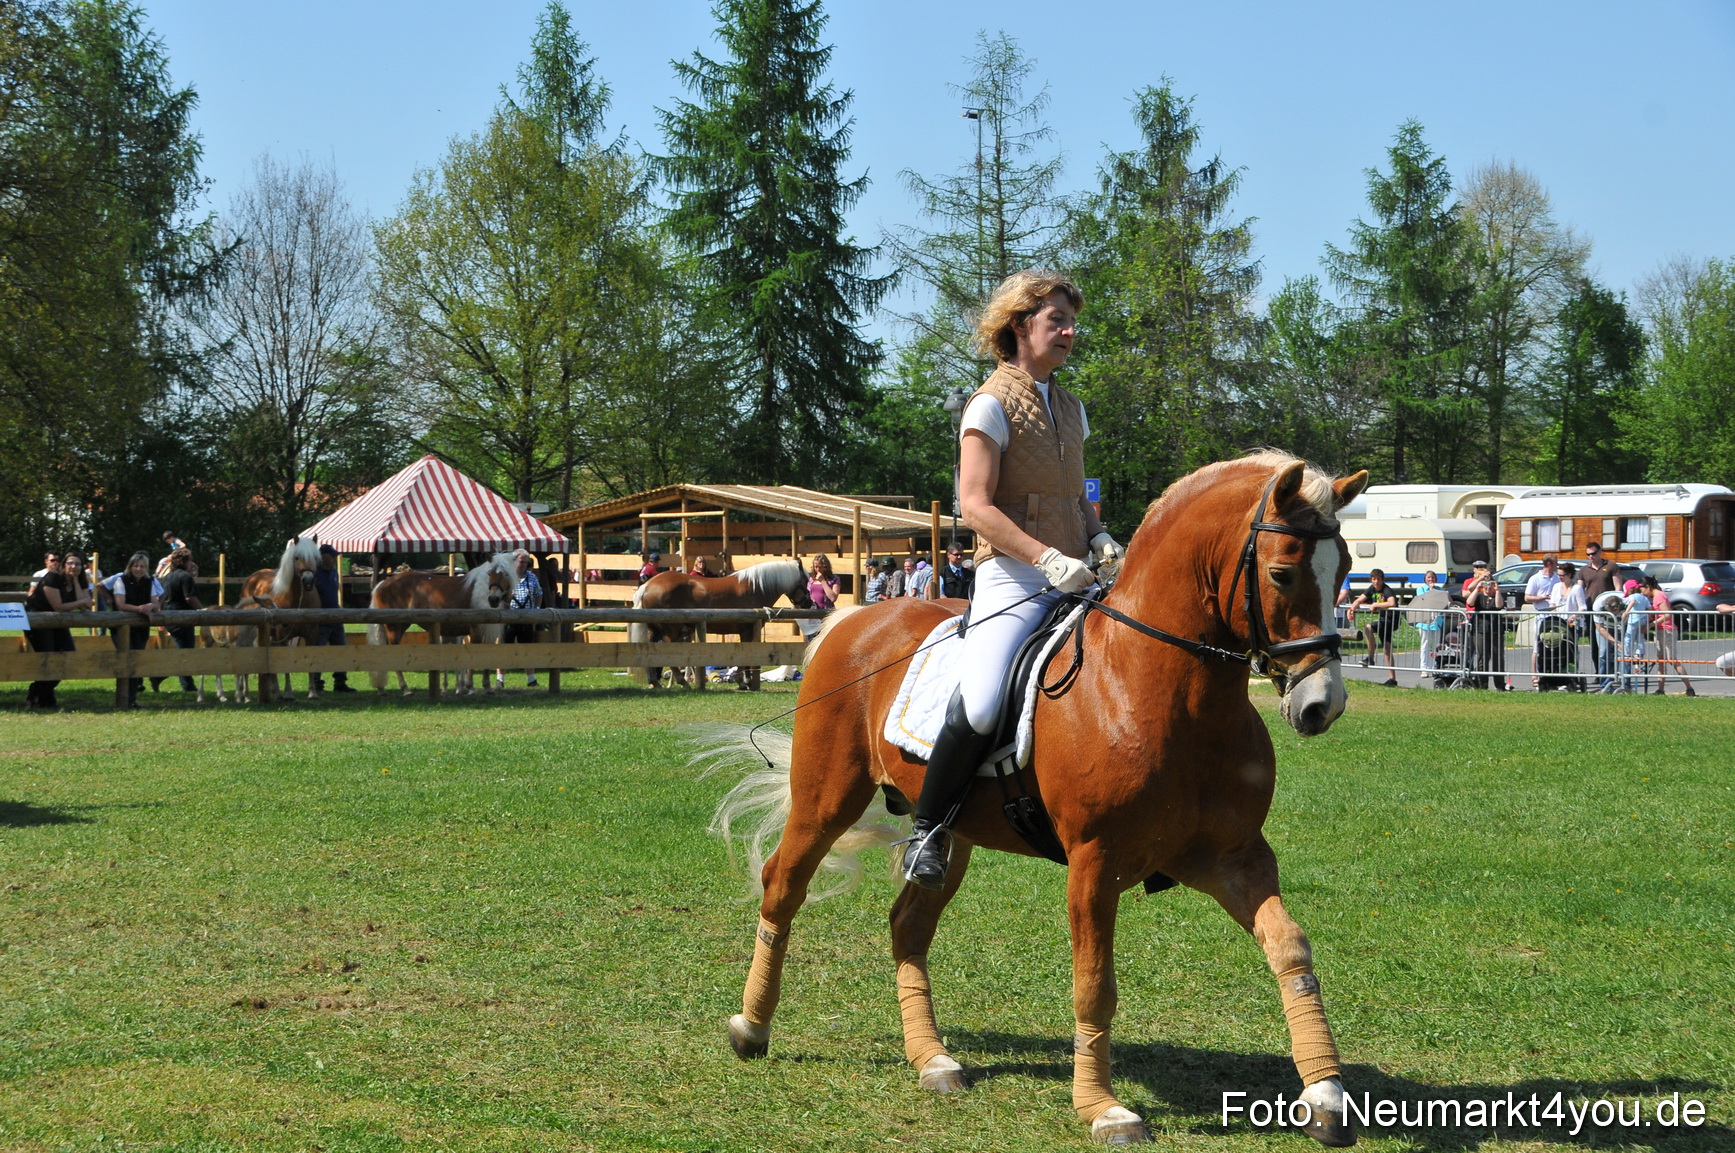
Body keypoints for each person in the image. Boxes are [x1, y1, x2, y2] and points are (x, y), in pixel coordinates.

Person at [900, 268, 1120, 892]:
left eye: (1072, 321)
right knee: (986, 698)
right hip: (1013, 578)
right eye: (1057, 321)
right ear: (1020, 325)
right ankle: (929, 830)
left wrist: (1098, 534)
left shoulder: (1071, 408)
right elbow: (974, 504)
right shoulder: (989, 404)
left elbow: (1074, 497)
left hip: (1075, 573)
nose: (1071, 332)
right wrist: (1045, 557)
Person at [24, 551, 92, 708]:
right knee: (48, 658)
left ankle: (37, 692)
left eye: (78, 564)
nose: (74, 567)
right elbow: (58, 606)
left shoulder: (81, 580)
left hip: (57, 621)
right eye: (70, 563)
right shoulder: (52, 578)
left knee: (67, 656)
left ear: (82, 567)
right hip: (38, 619)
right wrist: (81, 602)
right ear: (64, 565)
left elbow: (85, 605)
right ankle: (43, 698)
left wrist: (75, 582)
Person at [102, 551, 161, 707]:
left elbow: (156, 603)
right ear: (130, 566)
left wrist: (150, 606)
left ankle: (132, 699)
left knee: (136, 662)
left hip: (140, 628)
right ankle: (123, 699)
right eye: (136, 566)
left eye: (142, 566)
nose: (139, 569)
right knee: (126, 661)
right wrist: (141, 609)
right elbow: (121, 604)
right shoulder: (121, 581)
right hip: (120, 628)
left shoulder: (150, 582)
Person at [304, 544, 353, 695]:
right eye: (330, 557)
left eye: (333, 557)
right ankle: (316, 683)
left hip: (336, 617)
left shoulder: (333, 572)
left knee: (341, 650)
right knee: (318, 652)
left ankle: (340, 682)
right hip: (321, 619)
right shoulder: (314, 574)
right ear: (323, 558)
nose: (333, 559)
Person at [152, 548, 203, 693]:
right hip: (182, 618)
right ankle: (182, 684)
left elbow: (161, 598)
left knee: (183, 651)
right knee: (185, 653)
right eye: (189, 560)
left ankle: (184, 683)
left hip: (169, 617)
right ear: (185, 561)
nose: (191, 563)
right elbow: (190, 598)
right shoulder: (185, 577)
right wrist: (203, 612)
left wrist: (161, 619)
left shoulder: (168, 577)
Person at [497, 549, 544, 689]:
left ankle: (531, 679)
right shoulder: (506, 577)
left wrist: (536, 609)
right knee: (504, 649)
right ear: (514, 561)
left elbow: (539, 593)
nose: (523, 565)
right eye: (521, 561)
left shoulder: (532, 577)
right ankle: (500, 680)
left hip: (527, 618)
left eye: (525, 562)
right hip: (509, 618)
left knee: (527, 649)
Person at [1350, 568, 1399, 686]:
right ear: (1371, 580)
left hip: (1390, 620)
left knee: (1387, 650)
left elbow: (1392, 603)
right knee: (1368, 628)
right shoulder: (1371, 589)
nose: (1376, 582)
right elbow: (1359, 600)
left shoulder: (1386, 590)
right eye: (1374, 579)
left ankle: (1392, 679)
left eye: (1378, 579)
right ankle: (1371, 658)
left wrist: (1376, 604)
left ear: (1382, 580)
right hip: (1382, 620)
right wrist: (1351, 609)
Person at [1645, 575, 1693, 696]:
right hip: (1660, 630)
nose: (1643, 594)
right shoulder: (1655, 597)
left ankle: (1689, 688)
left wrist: (1652, 624)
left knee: (1672, 660)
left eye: (1642, 590)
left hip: (1667, 630)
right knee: (1661, 660)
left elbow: (1667, 614)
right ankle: (1660, 689)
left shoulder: (1659, 596)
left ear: (1647, 587)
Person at [1579, 541, 1619, 683]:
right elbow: (1579, 591)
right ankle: (1599, 672)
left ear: (1600, 552)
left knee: (1612, 641)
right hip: (1592, 610)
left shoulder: (1611, 566)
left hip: (1608, 610)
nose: (1591, 557)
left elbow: (1618, 588)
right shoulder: (1584, 570)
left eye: (1593, 554)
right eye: (1588, 554)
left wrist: (1617, 605)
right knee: (1595, 644)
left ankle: (1615, 672)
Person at [1465, 571, 1508, 689]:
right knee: (1482, 658)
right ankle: (1482, 684)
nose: (1488, 587)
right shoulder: (1479, 596)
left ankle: (1500, 685)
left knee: (1497, 658)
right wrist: (1478, 586)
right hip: (1480, 630)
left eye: (1490, 584)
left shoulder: (1496, 596)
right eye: (1486, 584)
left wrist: (1497, 590)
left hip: (1496, 630)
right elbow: (1469, 602)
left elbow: (1499, 605)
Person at [1619, 578, 1650, 694]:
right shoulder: (1644, 597)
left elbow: (1631, 602)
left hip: (1633, 619)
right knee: (1640, 638)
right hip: (1642, 619)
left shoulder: (1632, 597)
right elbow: (1649, 608)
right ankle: (1639, 653)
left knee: (1628, 637)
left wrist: (1626, 612)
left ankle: (1627, 652)